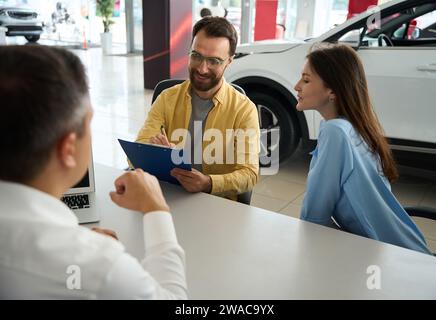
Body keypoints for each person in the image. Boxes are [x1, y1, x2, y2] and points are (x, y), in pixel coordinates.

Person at [0, 46, 187, 299]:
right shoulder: (99, 267)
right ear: (67, 148)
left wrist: (73, 239)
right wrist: (156, 210)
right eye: (88, 122)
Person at [295, 43, 431, 255]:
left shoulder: (335, 132)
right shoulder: (358, 127)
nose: (297, 86)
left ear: (332, 91)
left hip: (390, 260)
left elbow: (312, 218)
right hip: (408, 249)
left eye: (306, 80)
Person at [136, 17, 260, 201]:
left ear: (229, 61)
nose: (202, 69)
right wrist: (151, 154)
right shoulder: (167, 97)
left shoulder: (244, 109)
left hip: (216, 204)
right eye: (196, 56)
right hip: (168, 195)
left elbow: (249, 175)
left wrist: (208, 183)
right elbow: (136, 151)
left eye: (214, 61)